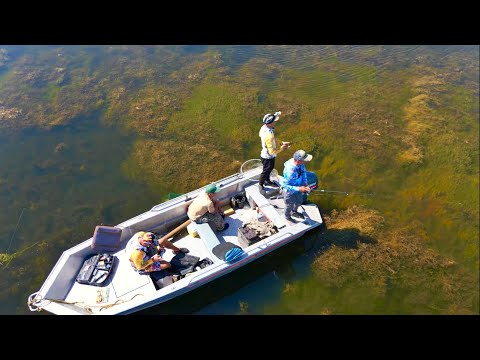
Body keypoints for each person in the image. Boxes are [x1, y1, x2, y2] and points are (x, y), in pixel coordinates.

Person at [258, 111, 290, 191]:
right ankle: (261, 185)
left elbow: (273, 140)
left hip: (267, 154)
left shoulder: (264, 127)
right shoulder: (268, 135)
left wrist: (281, 143)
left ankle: (267, 180)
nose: (275, 122)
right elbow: (272, 152)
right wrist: (283, 148)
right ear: (269, 123)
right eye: (274, 121)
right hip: (267, 157)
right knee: (266, 171)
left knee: (270, 168)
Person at [282, 149, 313, 222]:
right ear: (299, 161)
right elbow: (285, 185)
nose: (306, 161)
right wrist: (299, 189)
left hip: (299, 187)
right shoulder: (290, 172)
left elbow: (303, 172)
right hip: (290, 192)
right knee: (289, 205)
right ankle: (287, 217)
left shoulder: (301, 164)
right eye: (304, 159)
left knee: (299, 201)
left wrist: (305, 183)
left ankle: (294, 212)